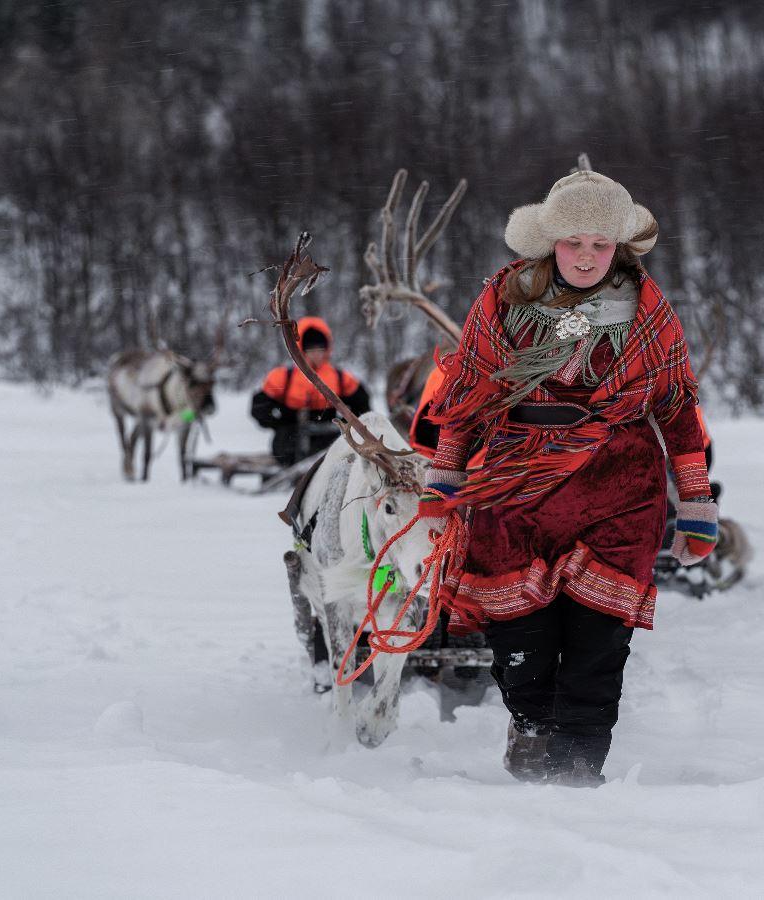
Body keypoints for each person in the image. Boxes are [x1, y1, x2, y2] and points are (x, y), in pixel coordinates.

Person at [417, 170, 719, 786]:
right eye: (573, 241)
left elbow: (678, 409)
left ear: (619, 248)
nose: (586, 256)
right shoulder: (503, 299)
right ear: (549, 240)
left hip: (619, 489)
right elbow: (469, 391)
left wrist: (695, 504)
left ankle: (579, 773)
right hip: (515, 489)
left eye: (601, 243)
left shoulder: (649, 311)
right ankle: (532, 737)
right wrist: (444, 477)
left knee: (597, 649)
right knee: (520, 646)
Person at [250, 316, 371, 467]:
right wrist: (279, 425)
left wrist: (346, 426)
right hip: (289, 444)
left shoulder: (340, 378)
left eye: (320, 350)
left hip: (330, 445)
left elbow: (363, 404)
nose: (316, 355)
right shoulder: (283, 377)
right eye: (311, 350)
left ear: (327, 350)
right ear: (300, 349)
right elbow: (259, 407)